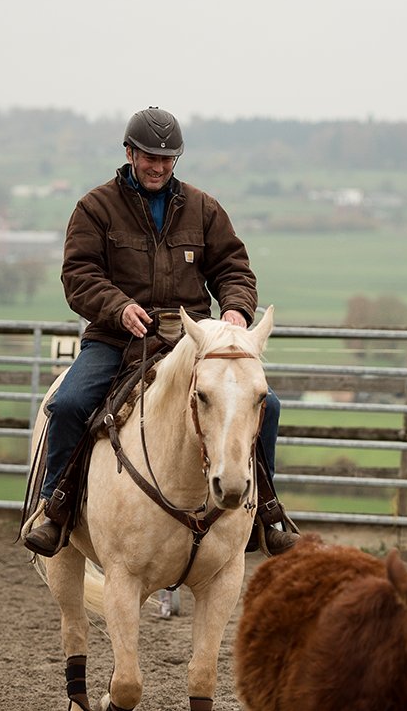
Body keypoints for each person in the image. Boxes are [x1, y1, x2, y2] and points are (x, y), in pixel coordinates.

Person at [24, 107, 298, 557]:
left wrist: (234, 310)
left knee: (266, 404)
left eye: (168, 158)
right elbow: (78, 275)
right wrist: (118, 308)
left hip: (191, 341)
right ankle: (55, 508)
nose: (158, 166)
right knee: (70, 403)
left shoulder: (203, 208)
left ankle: (262, 511)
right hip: (117, 340)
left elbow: (233, 268)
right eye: (150, 156)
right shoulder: (95, 208)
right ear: (130, 153)